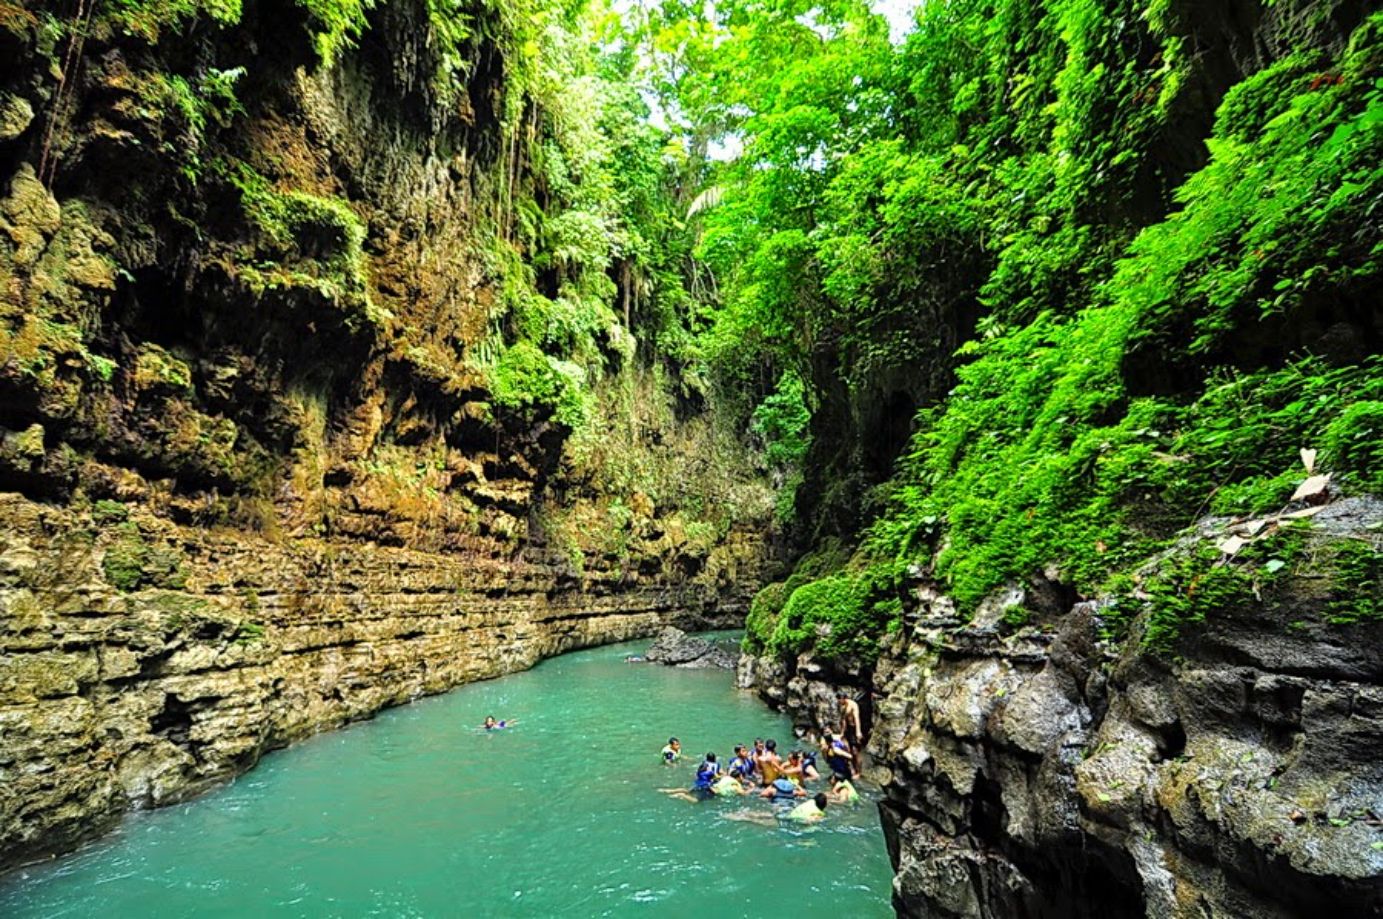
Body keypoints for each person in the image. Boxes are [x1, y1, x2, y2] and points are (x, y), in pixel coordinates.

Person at [837, 691, 864, 773]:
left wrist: (858, 731)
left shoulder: (853, 705)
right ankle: (853, 769)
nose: (838, 701)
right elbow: (843, 719)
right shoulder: (841, 705)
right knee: (848, 749)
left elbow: (857, 718)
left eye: (840, 700)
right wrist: (842, 732)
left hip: (854, 728)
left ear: (844, 698)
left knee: (856, 751)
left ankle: (859, 772)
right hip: (848, 729)